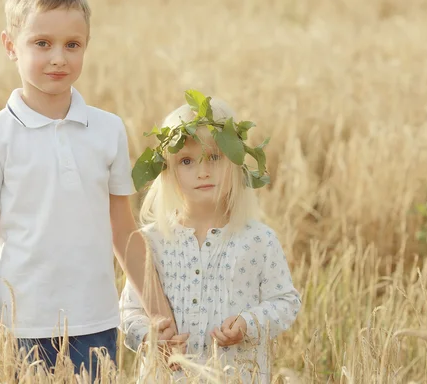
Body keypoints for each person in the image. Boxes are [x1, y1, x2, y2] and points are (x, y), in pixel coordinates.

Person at [0, 0, 176, 377]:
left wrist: (158, 312)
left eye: (72, 45)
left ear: (87, 45)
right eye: (42, 43)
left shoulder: (107, 130)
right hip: (20, 328)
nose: (58, 58)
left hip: (96, 323)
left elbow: (123, 229)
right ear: (10, 45)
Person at [119, 95, 301, 383]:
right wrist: (149, 335)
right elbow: (129, 311)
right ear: (168, 172)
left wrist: (248, 324)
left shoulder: (258, 240)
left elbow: (285, 301)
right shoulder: (151, 241)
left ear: (235, 162)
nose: (202, 171)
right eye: (187, 161)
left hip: (236, 375)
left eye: (214, 157)